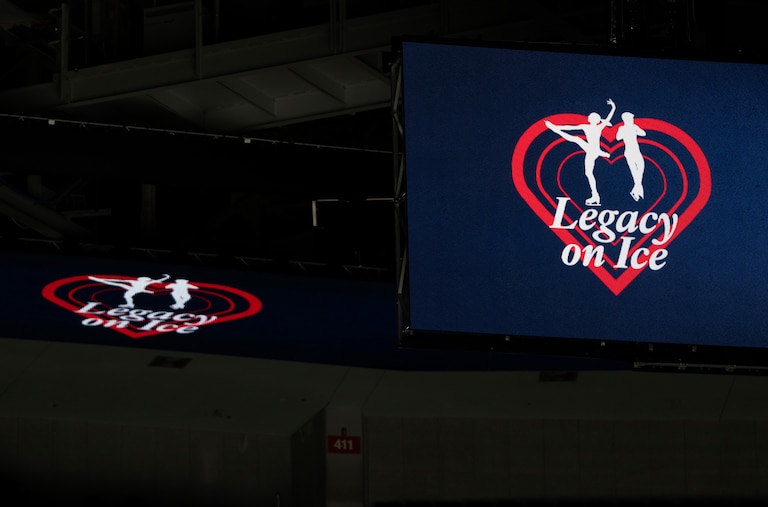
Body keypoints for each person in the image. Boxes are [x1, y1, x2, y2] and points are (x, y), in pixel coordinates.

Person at [545, 98, 616, 206]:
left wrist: (613, 107)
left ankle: (595, 195)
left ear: (595, 120)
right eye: (590, 117)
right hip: (591, 151)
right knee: (588, 172)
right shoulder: (586, 126)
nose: (590, 118)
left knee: (577, 140)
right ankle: (595, 195)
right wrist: (557, 127)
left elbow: (608, 118)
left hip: (593, 150)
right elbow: (569, 127)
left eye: (592, 117)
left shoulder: (598, 127)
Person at [88, 274, 170, 308]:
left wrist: (166, 277)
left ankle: (130, 304)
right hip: (135, 289)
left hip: (138, 290)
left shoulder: (147, 282)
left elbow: (158, 280)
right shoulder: (135, 281)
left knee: (125, 292)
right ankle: (130, 304)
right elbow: (119, 281)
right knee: (120, 286)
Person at [616, 111, 647, 201]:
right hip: (629, 151)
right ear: (626, 119)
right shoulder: (622, 128)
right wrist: (626, 132)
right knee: (634, 170)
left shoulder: (634, 127)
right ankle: (637, 191)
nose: (632, 120)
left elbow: (643, 133)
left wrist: (636, 130)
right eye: (631, 118)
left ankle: (635, 189)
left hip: (636, 151)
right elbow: (618, 137)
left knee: (641, 167)